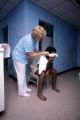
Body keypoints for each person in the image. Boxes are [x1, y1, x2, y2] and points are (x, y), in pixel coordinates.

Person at [12, 25, 49, 97]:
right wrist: (42, 53)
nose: (41, 39)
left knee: (24, 74)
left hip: (22, 57)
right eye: (40, 38)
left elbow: (33, 47)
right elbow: (31, 55)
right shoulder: (28, 40)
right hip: (18, 57)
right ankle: (21, 92)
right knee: (21, 75)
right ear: (36, 36)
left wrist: (38, 52)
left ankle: (25, 88)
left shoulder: (33, 38)